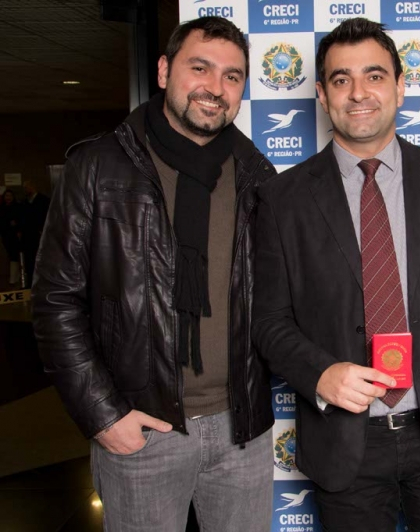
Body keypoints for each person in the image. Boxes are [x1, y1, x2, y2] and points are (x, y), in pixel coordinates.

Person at [252, 17, 420, 532]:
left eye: (375, 76)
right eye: (341, 79)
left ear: (400, 87)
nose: (359, 93)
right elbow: (269, 321)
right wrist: (319, 373)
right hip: (344, 444)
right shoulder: (282, 199)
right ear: (322, 94)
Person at [32, 16, 276, 532]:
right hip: (142, 427)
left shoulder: (256, 175)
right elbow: (55, 303)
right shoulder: (97, 166)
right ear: (165, 71)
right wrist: (104, 415)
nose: (215, 87)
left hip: (242, 430)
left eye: (232, 76)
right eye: (200, 68)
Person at [21, 180, 50, 287]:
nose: (25, 190)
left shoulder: (44, 200)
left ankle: (43, 281)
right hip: (28, 235)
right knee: (29, 259)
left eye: (26, 187)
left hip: (40, 234)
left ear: (32, 187)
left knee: (41, 258)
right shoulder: (25, 202)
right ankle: (31, 282)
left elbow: (48, 216)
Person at [0, 190, 23, 286]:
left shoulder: (17, 207)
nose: (8, 198)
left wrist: (17, 227)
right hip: (5, 235)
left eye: (10, 196)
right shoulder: (2, 207)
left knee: (14, 255)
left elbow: (20, 220)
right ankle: (15, 276)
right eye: (6, 196)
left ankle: (13, 278)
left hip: (14, 235)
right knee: (11, 255)